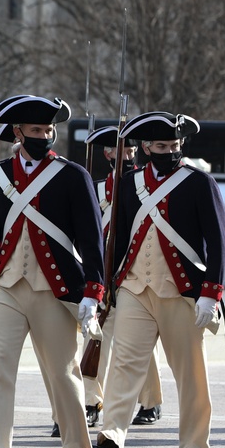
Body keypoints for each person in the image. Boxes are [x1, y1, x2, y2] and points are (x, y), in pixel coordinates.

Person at [0, 95, 104, 448]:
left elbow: (91, 240)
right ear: (19, 133)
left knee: (62, 373)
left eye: (48, 129)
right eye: (36, 130)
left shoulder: (72, 175)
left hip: (54, 289)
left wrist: (94, 291)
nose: (44, 135)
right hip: (6, 285)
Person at [87, 112, 225, 448]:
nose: (170, 152)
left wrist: (211, 293)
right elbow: (117, 239)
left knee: (190, 370)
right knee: (124, 365)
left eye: (175, 145)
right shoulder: (129, 183)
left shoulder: (198, 182)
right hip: (135, 286)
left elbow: (217, 240)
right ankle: (112, 437)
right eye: (162, 145)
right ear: (146, 146)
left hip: (181, 290)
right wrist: (106, 287)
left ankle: (194, 444)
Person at [82, 126, 163, 428]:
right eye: (120, 151)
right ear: (107, 153)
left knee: (140, 344)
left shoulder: (144, 186)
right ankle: (91, 402)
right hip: (102, 275)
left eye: (131, 151)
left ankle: (151, 400)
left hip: (132, 274)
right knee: (94, 339)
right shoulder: (97, 188)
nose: (126, 155)